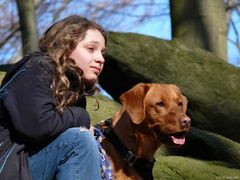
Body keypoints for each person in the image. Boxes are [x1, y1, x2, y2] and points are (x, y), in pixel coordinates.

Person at [0, 15, 106, 180]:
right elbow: (37, 126)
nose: (101, 59)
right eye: (91, 49)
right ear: (66, 46)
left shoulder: (74, 92)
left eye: (102, 52)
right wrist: (81, 117)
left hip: (26, 165)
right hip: (7, 166)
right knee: (79, 141)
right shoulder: (36, 68)